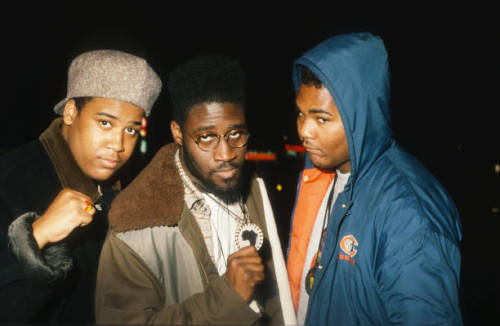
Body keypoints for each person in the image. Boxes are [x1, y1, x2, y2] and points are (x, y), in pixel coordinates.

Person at [95, 54, 288, 325]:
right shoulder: (133, 225)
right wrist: (228, 298)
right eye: (206, 137)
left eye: (235, 134)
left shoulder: (255, 188)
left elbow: (278, 297)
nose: (226, 154)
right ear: (177, 133)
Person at [286, 32, 463, 325]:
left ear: (361, 116)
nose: (304, 130)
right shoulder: (322, 176)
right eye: (300, 114)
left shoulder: (409, 210)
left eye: (321, 118)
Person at [0, 49, 162, 323]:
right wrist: (37, 237)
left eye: (131, 130)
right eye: (105, 123)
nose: (119, 145)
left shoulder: (120, 193)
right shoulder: (10, 182)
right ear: (71, 112)